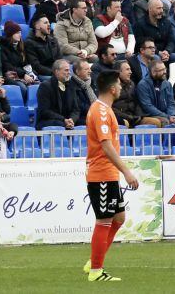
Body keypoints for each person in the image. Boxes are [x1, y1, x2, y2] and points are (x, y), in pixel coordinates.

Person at [82, 69, 139, 282]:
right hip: (102, 173)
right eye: (120, 85)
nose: (122, 88)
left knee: (119, 217)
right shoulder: (101, 112)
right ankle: (96, 271)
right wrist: (126, 171)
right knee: (104, 220)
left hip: (108, 173)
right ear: (113, 88)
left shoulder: (104, 109)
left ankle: (94, 261)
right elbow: (106, 145)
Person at [36, 59, 85, 129]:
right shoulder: (45, 86)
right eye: (66, 70)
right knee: (60, 124)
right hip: (49, 121)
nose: (69, 73)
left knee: (87, 122)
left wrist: (72, 120)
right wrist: (63, 120)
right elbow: (44, 111)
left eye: (69, 70)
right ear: (57, 71)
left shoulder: (71, 85)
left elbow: (76, 109)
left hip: (67, 121)